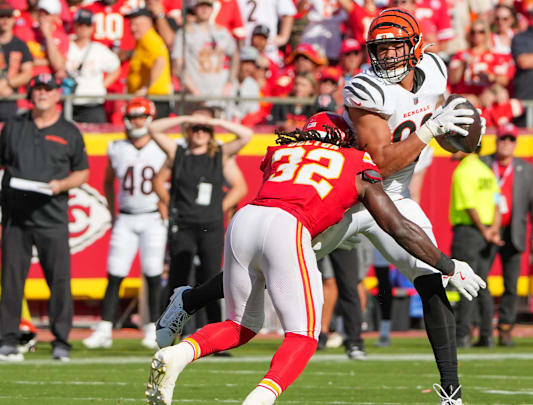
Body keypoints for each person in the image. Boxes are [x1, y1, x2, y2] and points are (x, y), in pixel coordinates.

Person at [154, 10, 484, 404]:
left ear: (415, 47)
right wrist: (430, 130)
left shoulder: (435, 68)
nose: (389, 56)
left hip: (395, 192)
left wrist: (454, 134)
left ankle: (451, 392)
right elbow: (378, 160)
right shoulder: (367, 87)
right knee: (273, 262)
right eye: (380, 49)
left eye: (395, 47)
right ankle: (190, 300)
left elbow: (441, 124)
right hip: (355, 187)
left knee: (429, 275)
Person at [0, 74, 89, 362]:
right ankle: (7, 340)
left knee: (59, 282)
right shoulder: (14, 126)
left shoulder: (69, 131)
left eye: (48, 89)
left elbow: (82, 171)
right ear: (31, 93)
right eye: (38, 89)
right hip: (16, 218)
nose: (42, 94)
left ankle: (61, 341)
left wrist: (60, 185)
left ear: (57, 95)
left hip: (52, 218)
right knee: (12, 281)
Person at [150, 107, 252, 335]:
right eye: (195, 128)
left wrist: (215, 120)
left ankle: (214, 332)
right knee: (179, 277)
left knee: (212, 278)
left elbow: (246, 135)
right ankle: (172, 329)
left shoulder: (220, 155)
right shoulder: (178, 153)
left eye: (204, 129)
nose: (199, 132)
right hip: (183, 224)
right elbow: (153, 129)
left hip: (211, 225)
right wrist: (187, 117)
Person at [82, 97, 167, 350]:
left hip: (153, 216)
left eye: (141, 116)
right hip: (127, 216)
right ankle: (105, 328)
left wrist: (166, 208)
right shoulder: (117, 146)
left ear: (150, 118)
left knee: (153, 273)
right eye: (132, 117)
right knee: (115, 272)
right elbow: (108, 181)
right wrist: (112, 209)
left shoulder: (161, 147)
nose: (136, 121)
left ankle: (153, 328)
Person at [478, 124, 533, 347]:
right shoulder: (484, 163)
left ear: (515, 143)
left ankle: (506, 327)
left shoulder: (525, 168)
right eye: (502, 139)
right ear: (496, 141)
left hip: (514, 230)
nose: (506, 143)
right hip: (487, 229)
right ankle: (482, 327)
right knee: (479, 278)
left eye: (510, 139)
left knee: (511, 284)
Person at [450, 140, 502, 348]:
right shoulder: (486, 172)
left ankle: (462, 334)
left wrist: (483, 230)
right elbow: (498, 203)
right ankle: (487, 335)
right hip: (488, 232)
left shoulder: (464, 171)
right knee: (483, 284)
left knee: (465, 282)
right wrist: (493, 231)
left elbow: (469, 207)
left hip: (469, 232)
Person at [171, 0, 238, 107]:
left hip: (220, 97)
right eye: (201, 5)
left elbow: (235, 55)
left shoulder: (222, 32)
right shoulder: (184, 33)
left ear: (212, 9)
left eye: (207, 6)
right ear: (195, 8)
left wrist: (230, 82)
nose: (204, 9)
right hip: (196, 98)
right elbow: (177, 66)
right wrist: (194, 91)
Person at [66, 8, 121, 123]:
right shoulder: (66, 45)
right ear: (74, 25)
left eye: (87, 25)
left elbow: (116, 68)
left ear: (92, 28)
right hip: (69, 103)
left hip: (93, 105)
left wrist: (101, 86)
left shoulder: (99, 49)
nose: (83, 28)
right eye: (80, 24)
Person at [126, 8, 172, 118]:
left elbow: (160, 62)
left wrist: (145, 88)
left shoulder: (150, 39)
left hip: (154, 99)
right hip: (148, 98)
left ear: (149, 23)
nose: (133, 28)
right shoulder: (142, 41)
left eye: (136, 24)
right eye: (131, 24)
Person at [0, 0, 33, 122]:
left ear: (13, 19)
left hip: (12, 101)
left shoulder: (20, 45)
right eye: (1, 16)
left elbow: (27, 73)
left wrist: (7, 84)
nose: (5, 21)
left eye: (8, 17)